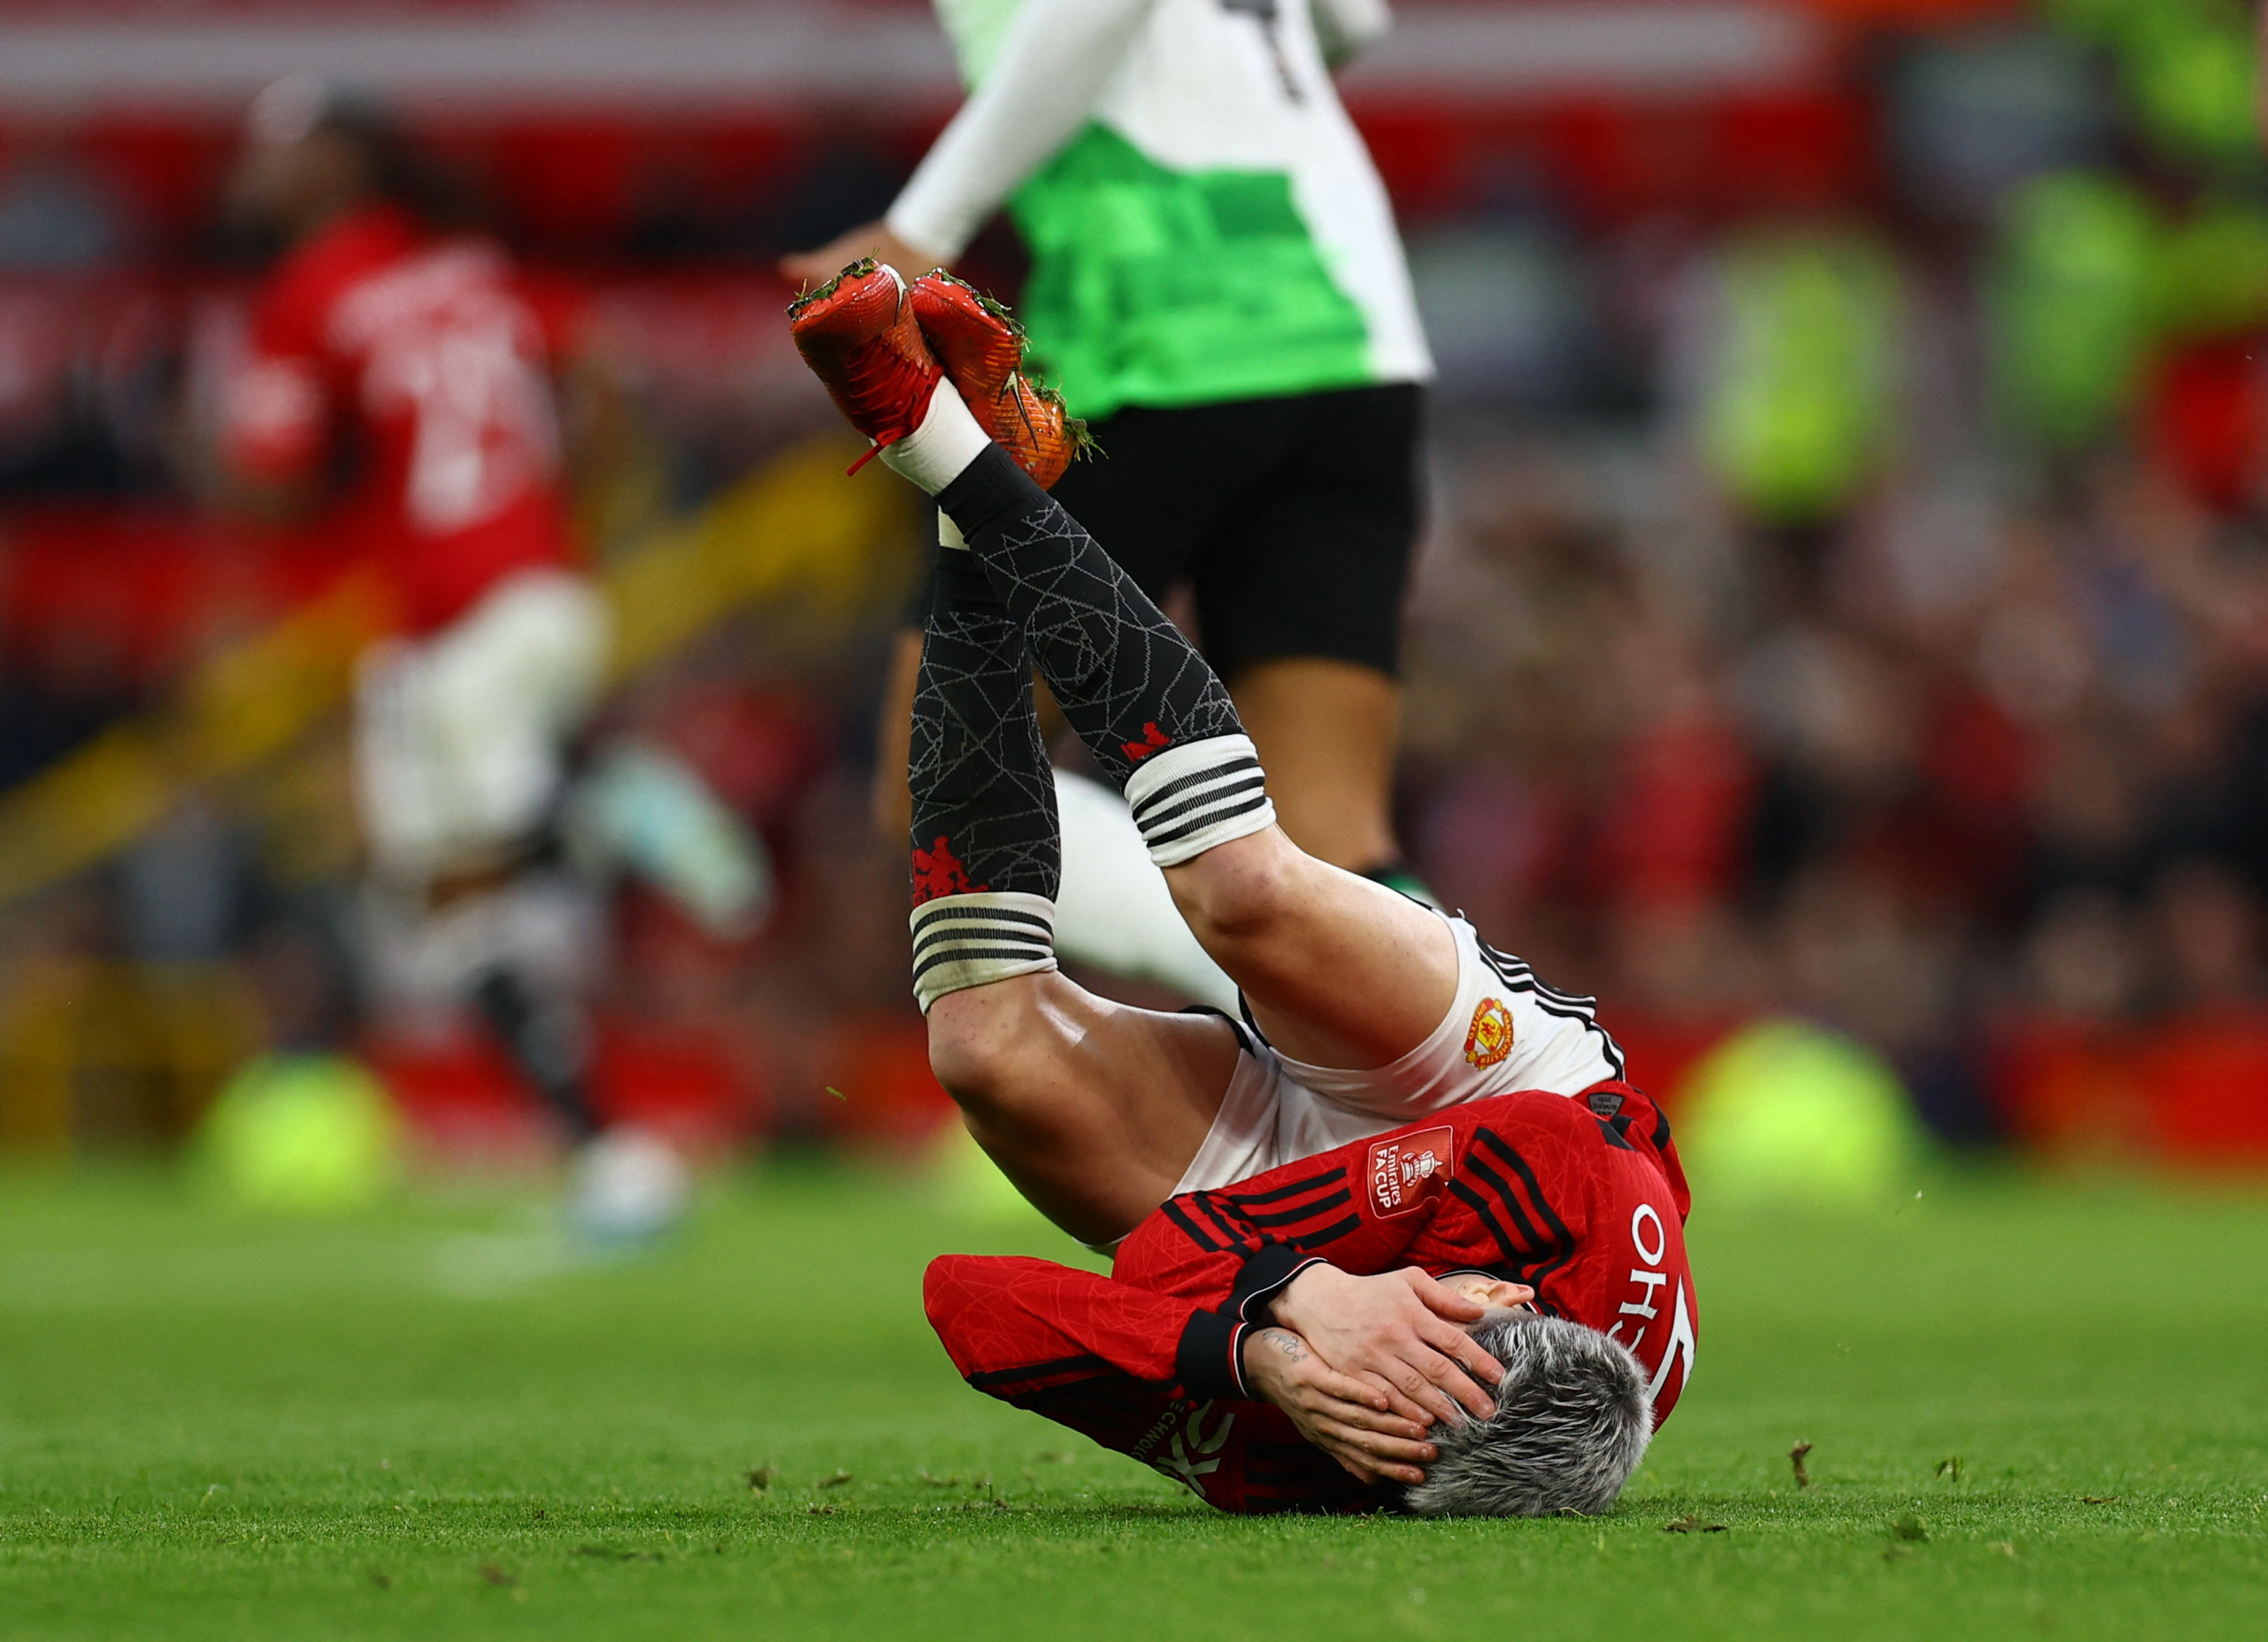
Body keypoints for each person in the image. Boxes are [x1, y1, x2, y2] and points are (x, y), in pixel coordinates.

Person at [787, 263, 1696, 1508]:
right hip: (1493, 1094)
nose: (1369, 1376)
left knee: (985, 1049)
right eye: (1410, 1357)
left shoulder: (1311, 1449)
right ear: (1491, 1295)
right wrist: (1310, 1291)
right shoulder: (1556, 1183)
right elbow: (1182, 1254)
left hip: (1293, 1229)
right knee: (1244, 897)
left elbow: (968, 1296)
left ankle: (966, 474)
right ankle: (947, 439)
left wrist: (1262, 1350)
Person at [785, 0, 1435, 1002]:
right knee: (1332, 833)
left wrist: (921, 229)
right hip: (1355, 330)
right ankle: (1482, 1063)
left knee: (943, 777)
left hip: (1162, 324)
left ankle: (1313, 991)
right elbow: (1355, 18)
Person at [216, 78, 686, 1235]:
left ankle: (594, 808)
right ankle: (613, 1163)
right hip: (528, 600)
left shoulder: (308, 293)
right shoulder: (477, 267)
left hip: (459, 625)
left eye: (282, 151)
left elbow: (269, 480)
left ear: (339, 167)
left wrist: (186, 438)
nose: (257, 170)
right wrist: (563, 514)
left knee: (472, 874)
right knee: (441, 917)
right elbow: (597, 379)